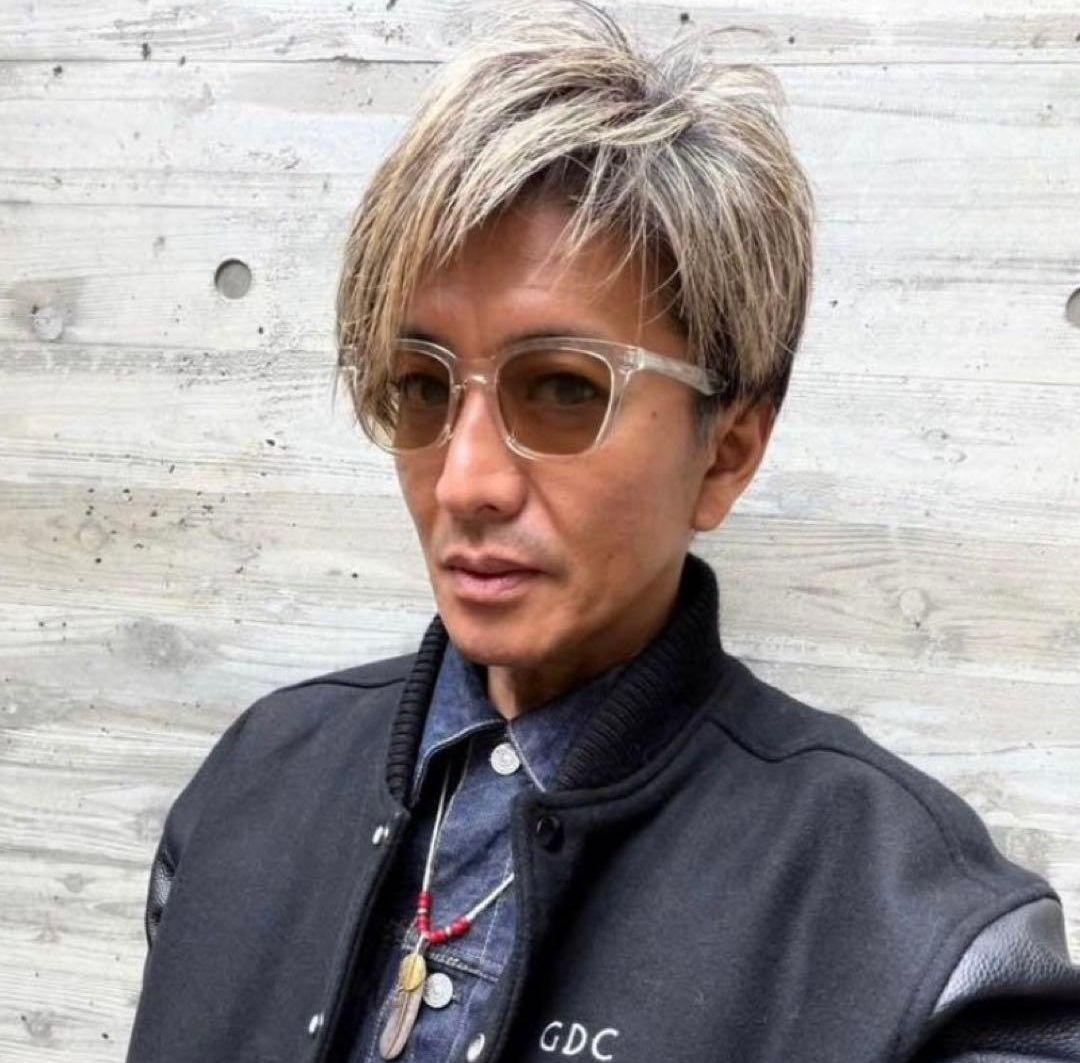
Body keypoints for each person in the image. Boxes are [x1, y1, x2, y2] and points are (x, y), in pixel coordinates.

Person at [124, 2, 1080, 1061]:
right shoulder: (254, 788)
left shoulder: (921, 944)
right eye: (420, 386)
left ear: (727, 450)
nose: (466, 481)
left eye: (565, 390)